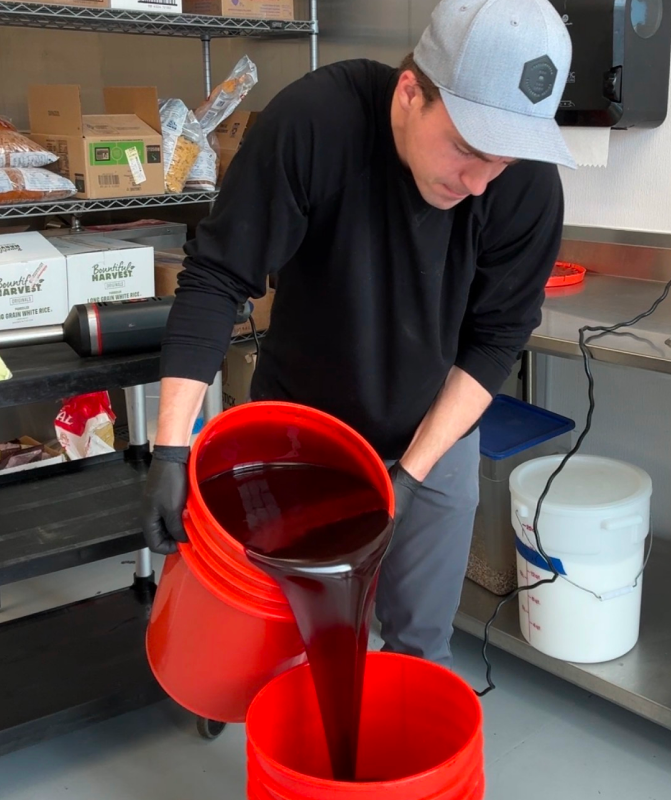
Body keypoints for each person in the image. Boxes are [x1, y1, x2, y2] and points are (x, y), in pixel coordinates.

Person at [141, 0, 575, 668]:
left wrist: (409, 472)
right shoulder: (317, 122)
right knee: (280, 634)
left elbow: (496, 341)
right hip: (298, 432)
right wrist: (171, 452)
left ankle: (386, 763)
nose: (481, 182)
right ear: (410, 92)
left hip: (431, 434)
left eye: (505, 162)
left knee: (419, 642)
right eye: (466, 149)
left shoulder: (524, 189)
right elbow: (217, 279)